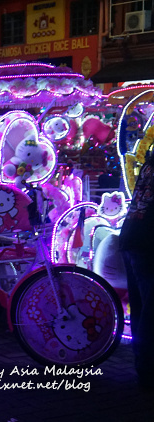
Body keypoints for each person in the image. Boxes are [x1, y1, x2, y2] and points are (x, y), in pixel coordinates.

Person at [119, 152, 154, 391]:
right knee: (150, 313)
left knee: (142, 308)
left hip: (134, 235)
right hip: (147, 242)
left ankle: (144, 371)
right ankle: (148, 373)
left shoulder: (149, 164)